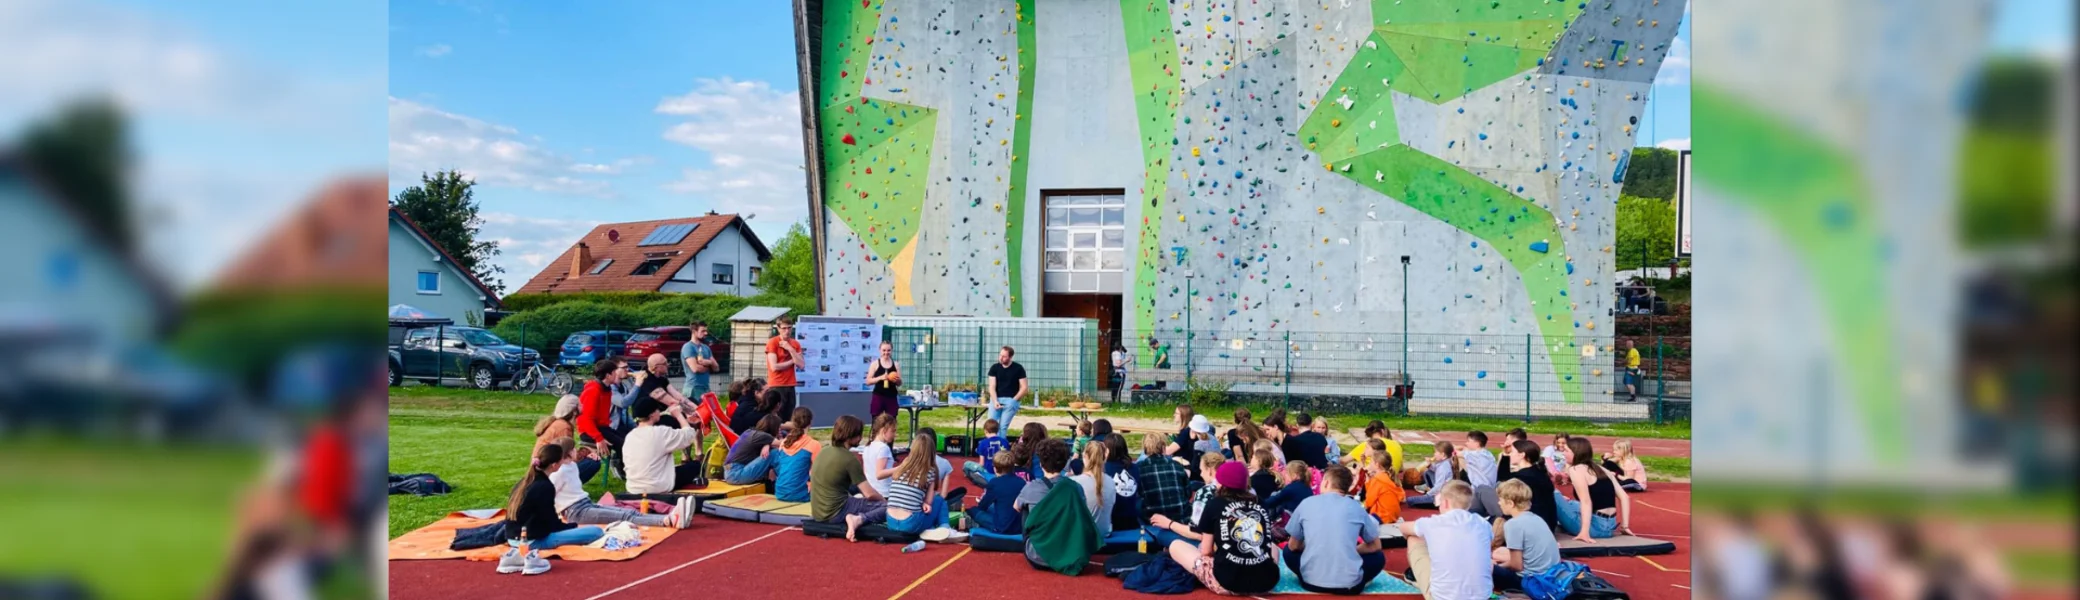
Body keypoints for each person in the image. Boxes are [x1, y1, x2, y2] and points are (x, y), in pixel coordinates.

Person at [1148, 461, 1279, 596]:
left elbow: (1206, 551)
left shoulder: (1214, 504)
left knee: (1175, 545)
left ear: (1221, 484)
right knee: (1273, 547)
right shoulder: (1260, 502)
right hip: (1266, 583)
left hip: (1227, 582)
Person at [497, 444, 605, 575]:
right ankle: (528, 556)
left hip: (513, 537)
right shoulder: (545, 486)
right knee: (595, 531)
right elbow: (552, 524)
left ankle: (516, 555)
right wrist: (573, 526)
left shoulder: (523, 482)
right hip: (533, 539)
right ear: (555, 465)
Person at [544, 438, 693, 529]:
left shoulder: (571, 465)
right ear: (569, 453)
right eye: (574, 448)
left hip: (585, 504)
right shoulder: (559, 472)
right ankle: (668, 520)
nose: (577, 450)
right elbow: (549, 494)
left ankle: (672, 515)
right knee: (625, 517)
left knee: (629, 512)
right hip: (576, 512)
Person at [1283, 466, 1387, 595]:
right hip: (1350, 585)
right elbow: (1376, 546)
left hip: (1310, 582)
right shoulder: (1356, 507)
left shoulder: (1306, 503)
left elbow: (1293, 546)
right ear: (1347, 487)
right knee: (1378, 557)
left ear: (1326, 482)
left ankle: (1312, 574)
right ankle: (1357, 578)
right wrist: (1352, 550)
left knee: (1288, 552)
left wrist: (1315, 546)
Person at [1398, 481, 1494, 600]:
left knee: (1414, 538)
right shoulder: (1484, 524)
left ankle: (1417, 575)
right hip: (1483, 596)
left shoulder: (1433, 523)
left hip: (1443, 597)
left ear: (1446, 502)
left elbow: (1403, 528)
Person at [853, 433, 950, 538]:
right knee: (939, 501)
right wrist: (924, 503)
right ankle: (945, 527)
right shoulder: (930, 471)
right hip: (911, 523)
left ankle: (929, 528)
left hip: (891, 521)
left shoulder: (902, 467)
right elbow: (929, 502)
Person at [809, 415, 885, 537]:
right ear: (851, 436)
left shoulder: (824, 451)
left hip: (818, 512)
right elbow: (869, 494)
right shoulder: (849, 459)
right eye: (859, 435)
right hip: (836, 512)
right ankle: (858, 519)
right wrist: (883, 499)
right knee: (889, 508)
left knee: (854, 491)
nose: (861, 438)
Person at [1490, 479, 1562, 594]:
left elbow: (1517, 566)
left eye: (1501, 500)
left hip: (1531, 581)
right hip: (1550, 574)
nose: (1499, 503)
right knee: (1500, 552)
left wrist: (1498, 566)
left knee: (1483, 567)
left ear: (1510, 503)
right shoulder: (1537, 518)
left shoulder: (1512, 524)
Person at [1555, 437, 1633, 543]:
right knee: (1570, 503)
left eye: (1566, 450)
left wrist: (1584, 532)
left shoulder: (1576, 469)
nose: (1563, 453)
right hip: (1609, 528)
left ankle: (1550, 524)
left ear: (1576, 453)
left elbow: (1586, 501)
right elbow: (1624, 497)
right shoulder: (1602, 469)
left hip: (1595, 528)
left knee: (1553, 494)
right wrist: (1625, 526)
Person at [621, 397, 702, 494]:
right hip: (657, 486)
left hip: (633, 487)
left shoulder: (630, 436)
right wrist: (678, 415)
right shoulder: (660, 432)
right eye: (657, 410)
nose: (659, 412)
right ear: (652, 414)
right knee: (695, 466)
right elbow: (689, 435)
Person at [575, 359, 632, 476]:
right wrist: (599, 439)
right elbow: (586, 419)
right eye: (615, 372)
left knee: (629, 440)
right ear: (608, 375)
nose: (617, 375)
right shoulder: (593, 391)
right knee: (623, 444)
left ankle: (625, 468)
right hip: (589, 430)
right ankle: (625, 471)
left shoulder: (607, 389)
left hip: (603, 427)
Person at [534, 394, 599, 483]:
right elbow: (566, 456)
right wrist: (588, 453)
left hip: (545, 468)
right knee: (593, 463)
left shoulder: (559, 423)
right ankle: (568, 488)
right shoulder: (563, 427)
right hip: (549, 471)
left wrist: (586, 452)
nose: (582, 405)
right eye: (580, 404)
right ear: (574, 411)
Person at [1501, 440, 1560, 533]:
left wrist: (1505, 456)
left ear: (1522, 455)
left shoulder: (1522, 477)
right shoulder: (1540, 473)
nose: (1510, 454)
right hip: (1548, 524)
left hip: (1533, 527)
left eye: (1512, 452)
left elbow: (1502, 481)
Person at [1136, 432, 1191, 526]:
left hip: (1153, 519)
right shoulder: (1177, 466)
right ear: (1163, 447)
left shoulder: (1139, 468)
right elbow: (1188, 493)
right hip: (1181, 519)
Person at [1066, 440, 1118, 539]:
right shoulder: (1111, 481)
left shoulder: (1074, 482)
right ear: (1104, 458)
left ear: (1085, 456)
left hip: (1082, 536)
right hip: (1104, 532)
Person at [970, 450, 1027, 535]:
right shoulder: (1022, 482)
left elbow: (982, 506)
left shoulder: (994, 483)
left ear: (995, 468)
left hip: (1001, 527)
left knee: (973, 510)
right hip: (1019, 527)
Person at [772, 408, 819, 502]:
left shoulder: (784, 442)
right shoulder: (814, 444)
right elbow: (817, 473)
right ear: (810, 423)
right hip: (801, 495)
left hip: (780, 492)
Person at [722, 414, 782, 485]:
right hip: (737, 473)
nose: (780, 430)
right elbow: (783, 444)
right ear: (773, 428)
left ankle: (776, 482)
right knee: (773, 454)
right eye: (779, 428)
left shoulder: (751, 432)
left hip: (731, 473)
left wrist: (767, 444)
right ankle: (787, 480)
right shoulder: (761, 436)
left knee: (769, 455)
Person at [764, 318, 803, 417]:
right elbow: (774, 367)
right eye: (784, 328)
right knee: (777, 414)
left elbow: (801, 364)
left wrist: (790, 349)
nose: (787, 331)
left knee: (789, 414)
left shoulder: (795, 344)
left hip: (790, 384)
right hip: (777, 384)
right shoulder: (773, 342)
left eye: (789, 328)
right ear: (778, 328)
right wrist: (792, 360)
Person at [1460, 431, 1502, 517]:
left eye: (1468, 441)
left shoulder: (1475, 455)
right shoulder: (1487, 453)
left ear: (1477, 443)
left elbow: (1456, 453)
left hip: (1480, 491)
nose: (1466, 443)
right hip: (1486, 489)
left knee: (1470, 512)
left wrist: (1451, 448)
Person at [985, 346, 1028, 430]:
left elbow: (1024, 387)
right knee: (991, 426)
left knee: (1002, 427)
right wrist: (995, 401)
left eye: (1004, 356)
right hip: (996, 398)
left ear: (1010, 357)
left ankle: (1001, 442)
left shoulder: (1018, 368)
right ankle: (991, 442)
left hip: (1011, 400)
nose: (1001, 358)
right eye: (1000, 355)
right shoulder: (994, 368)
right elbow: (992, 386)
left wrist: (1014, 400)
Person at [1262, 460, 1315, 525]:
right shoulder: (1306, 485)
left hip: (1297, 519)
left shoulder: (1290, 488)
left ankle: (1270, 521)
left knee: (1275, 495)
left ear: (1295, 475)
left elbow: (1274, 500)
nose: (1285, 475)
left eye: (1287, 473)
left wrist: (1259, 503)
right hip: (1307, 516)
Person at [964, 418, 1011, 487]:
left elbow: (981, 464)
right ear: (997, 430)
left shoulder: (983, 443)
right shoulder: (1005, 442)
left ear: (985, 431)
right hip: (1002, 470)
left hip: (988, 470)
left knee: (967, 464)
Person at [1360, 451, 1403, 525]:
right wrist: (1368, 482)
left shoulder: (1377, 479)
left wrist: (1357, 508)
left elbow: (1369, 501)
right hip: (1392, 515)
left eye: (1370, 463)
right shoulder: (1387, 476)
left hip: (1381, 515)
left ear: (1377, 465)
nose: (1369, 465)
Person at [680, 322, 720, 400]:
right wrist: (709, 367)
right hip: (693, 388)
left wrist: (709, 362)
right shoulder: (688, 347)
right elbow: (695, 369)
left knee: (710, 411)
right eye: (703, 331)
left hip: (706, 388)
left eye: (706, 331)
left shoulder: (706, 348)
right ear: (694, 332)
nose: (706, 333)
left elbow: (716, 368)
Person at [865, 341, 903, 423]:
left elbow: (900, 383)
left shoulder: (895, 364)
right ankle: (875, 436)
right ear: (880, 350)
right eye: (884, 350)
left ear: (892, 350)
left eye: (888, 350)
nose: (886, 352)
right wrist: (880, 378)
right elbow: (868, 381)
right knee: (876, 422)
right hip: (878, 396)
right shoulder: (875, 364)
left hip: (891, 397)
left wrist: (897, 380)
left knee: (891, 422)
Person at [861, 414, 899, 495]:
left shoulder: (867, 447)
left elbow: (865, 472)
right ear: (883, 431)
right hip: (884, 492)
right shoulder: (883, 448)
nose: (895, 434)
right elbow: (879, 474)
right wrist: (902, 467)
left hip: (872, 491)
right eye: (893, 431)